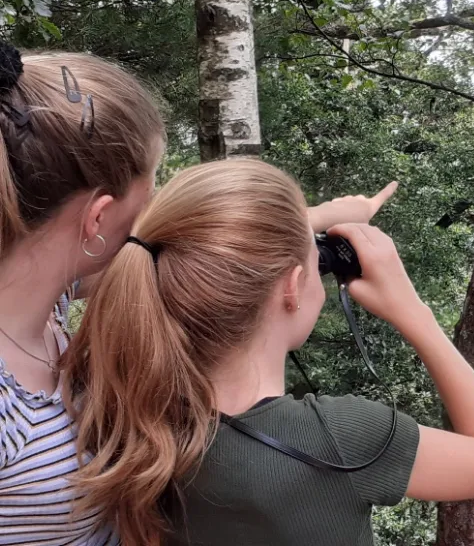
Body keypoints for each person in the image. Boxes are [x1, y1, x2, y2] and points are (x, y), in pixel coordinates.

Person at [0, 39, 398, 545]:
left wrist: (313, 221)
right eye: (149, 192)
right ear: (98, 218)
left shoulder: (43, 290)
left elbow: (169, 254)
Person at [63, 158, 474, 546]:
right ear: (291, 287)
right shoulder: (342, 438)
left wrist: (300, 224)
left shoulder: (114, 412)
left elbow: (160, 254)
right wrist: (414, 313)